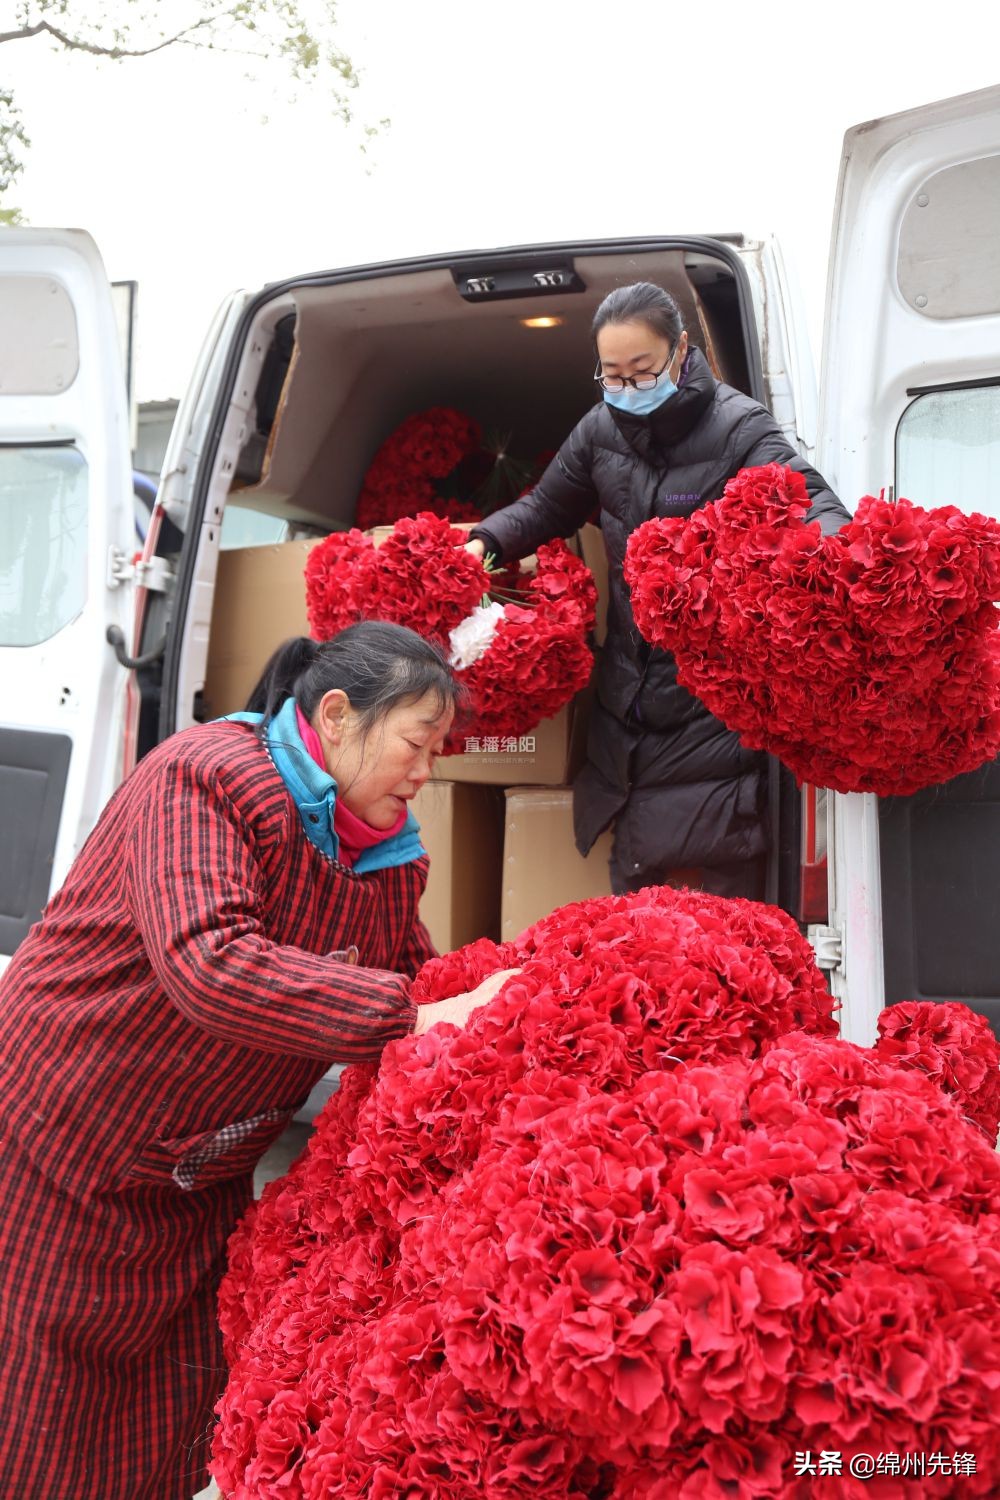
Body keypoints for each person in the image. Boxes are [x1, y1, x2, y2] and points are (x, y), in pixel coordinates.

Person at [0, 621, 515, 1500]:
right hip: (63, 1146)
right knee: (40, 1402)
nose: (429, 770)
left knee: (176, 1398)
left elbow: (415, 976)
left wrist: (510, 1011)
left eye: (440, 750)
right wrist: (418, 1015)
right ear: (341, 715)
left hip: (196, 1172)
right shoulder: (207, 777)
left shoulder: (387, 855)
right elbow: (211, 961)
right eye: (417, 744)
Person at [466, 281, 851, 901]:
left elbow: (809, 502)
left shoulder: (738, 428)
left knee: (721, 916)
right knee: (637, 910)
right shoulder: (599, 431)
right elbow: (545, 508)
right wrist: (481, 545)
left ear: (680, 352)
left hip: (709, 716)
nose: (627, 389)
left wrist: (837, 560)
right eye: (611, 375)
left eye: (642, 372)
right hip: (627, 706)